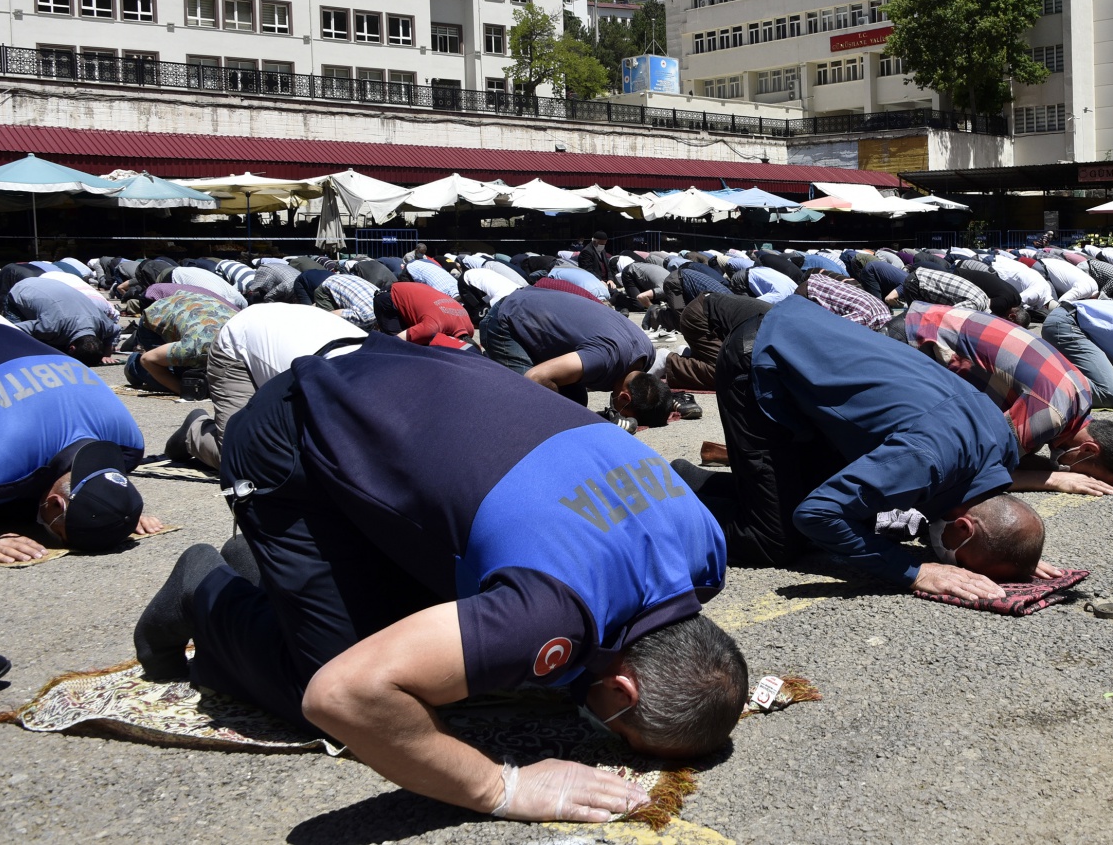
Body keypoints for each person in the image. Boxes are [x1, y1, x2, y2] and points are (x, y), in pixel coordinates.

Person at [134, 335, 744, 823]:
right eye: (622, 735)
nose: (608, 737)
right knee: (333, 695)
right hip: (295, 435)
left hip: (400, 385)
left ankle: (270, 567)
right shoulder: (552, 611)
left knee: (417, 638)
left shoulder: (705, 553)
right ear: (624, 691)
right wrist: (500, 787)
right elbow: (342, 696)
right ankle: (205, 588)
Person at [679, 296, 1048, 600]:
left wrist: (1013, 553)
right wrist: (913, 571)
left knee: (820, 506)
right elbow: (816, 515)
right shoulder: (927, 460)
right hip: (762, 358)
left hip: (805, 336)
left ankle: (688, 482)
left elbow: (998, 525)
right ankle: (666, 508)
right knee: (772, 540)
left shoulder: (1001, 448)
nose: (959, 570)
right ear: (964, 527)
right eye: (963, 564)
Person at [896, 303, 1113, 494]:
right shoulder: (1053, 413)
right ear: (1089, 449)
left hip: (924, 321)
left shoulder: (1082, 393)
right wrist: (1054, 479)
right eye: (1090, 476)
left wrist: (1036, 462)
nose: (1084, 480)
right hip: (910, 340)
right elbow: (980, 473)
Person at [0, 324, 162, 563]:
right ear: (56, 503)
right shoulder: (3, 468)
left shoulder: (128, 447)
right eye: (59, 535)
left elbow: (103, 485)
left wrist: (118, 510)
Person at [165, 304, 368, 471]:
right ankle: (194, 431)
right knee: (243, 459)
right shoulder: (333, 392)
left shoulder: (372, 383)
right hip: (239, 344)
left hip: (290, 333)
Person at [481, 287, 672, 426]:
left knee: (575, 403)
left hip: (533, 303)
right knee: (534, 407)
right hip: (507, 319)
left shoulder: (646, 353)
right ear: (625, 397)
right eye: (624, 413)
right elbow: (536, 377)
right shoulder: (604, 358)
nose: (619, 414)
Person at [129, 291, 237, 395]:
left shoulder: (242, 338)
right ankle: (134, 364)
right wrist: (182, 390)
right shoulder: (195, 350)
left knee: (199, 378)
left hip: (195, 307)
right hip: (157, 314)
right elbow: (147, 360)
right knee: (185, 380)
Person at [3, 276, 119, 366]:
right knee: (17, 347)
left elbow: (115, 330)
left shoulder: (102, 324)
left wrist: (106, 355)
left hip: (50, 286)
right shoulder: (50, 326)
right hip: (22, 290)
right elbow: (14, 329)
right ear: (72, 348)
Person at [376, 281, 475, 344]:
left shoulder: (470, 328)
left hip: (413, 290)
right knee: (399, 348)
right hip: (389, 297)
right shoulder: (431, 327)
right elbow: (395, 340)